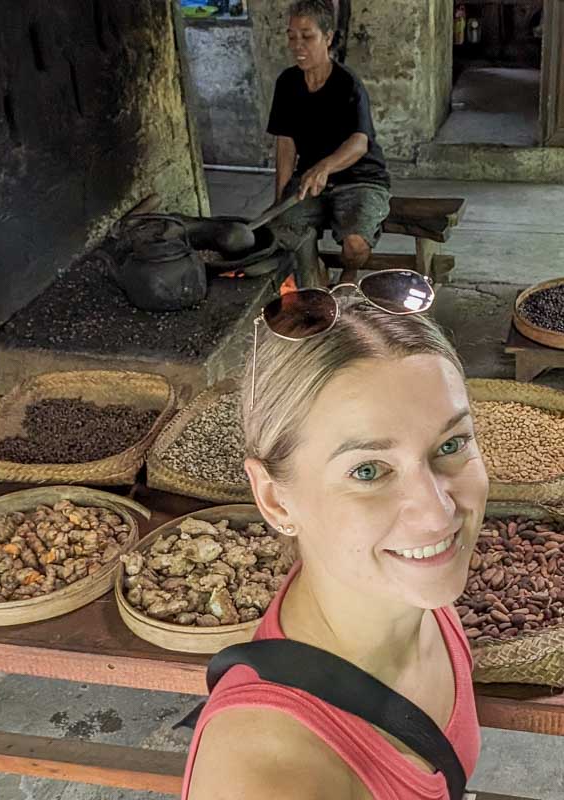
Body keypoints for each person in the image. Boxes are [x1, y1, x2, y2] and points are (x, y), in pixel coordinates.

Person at [183, 276, 489, 800]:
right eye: (368, 471)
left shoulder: (415, 595)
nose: (437, 515)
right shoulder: (271, 777)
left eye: (451, 444)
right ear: (275, 499)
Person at [267, 0, 391, 285]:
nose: (297, 45)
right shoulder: (287, 83)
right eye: (292, 37)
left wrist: (325, 167)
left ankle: (349, 273)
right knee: (282, 231)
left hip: (360, 179)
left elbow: (359, 143)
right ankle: (317, 281)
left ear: (328, 37)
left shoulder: (347, 84)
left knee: (355, 246)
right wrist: (280, 199)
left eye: (307, 36)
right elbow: (286, 143)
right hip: (311, 181)